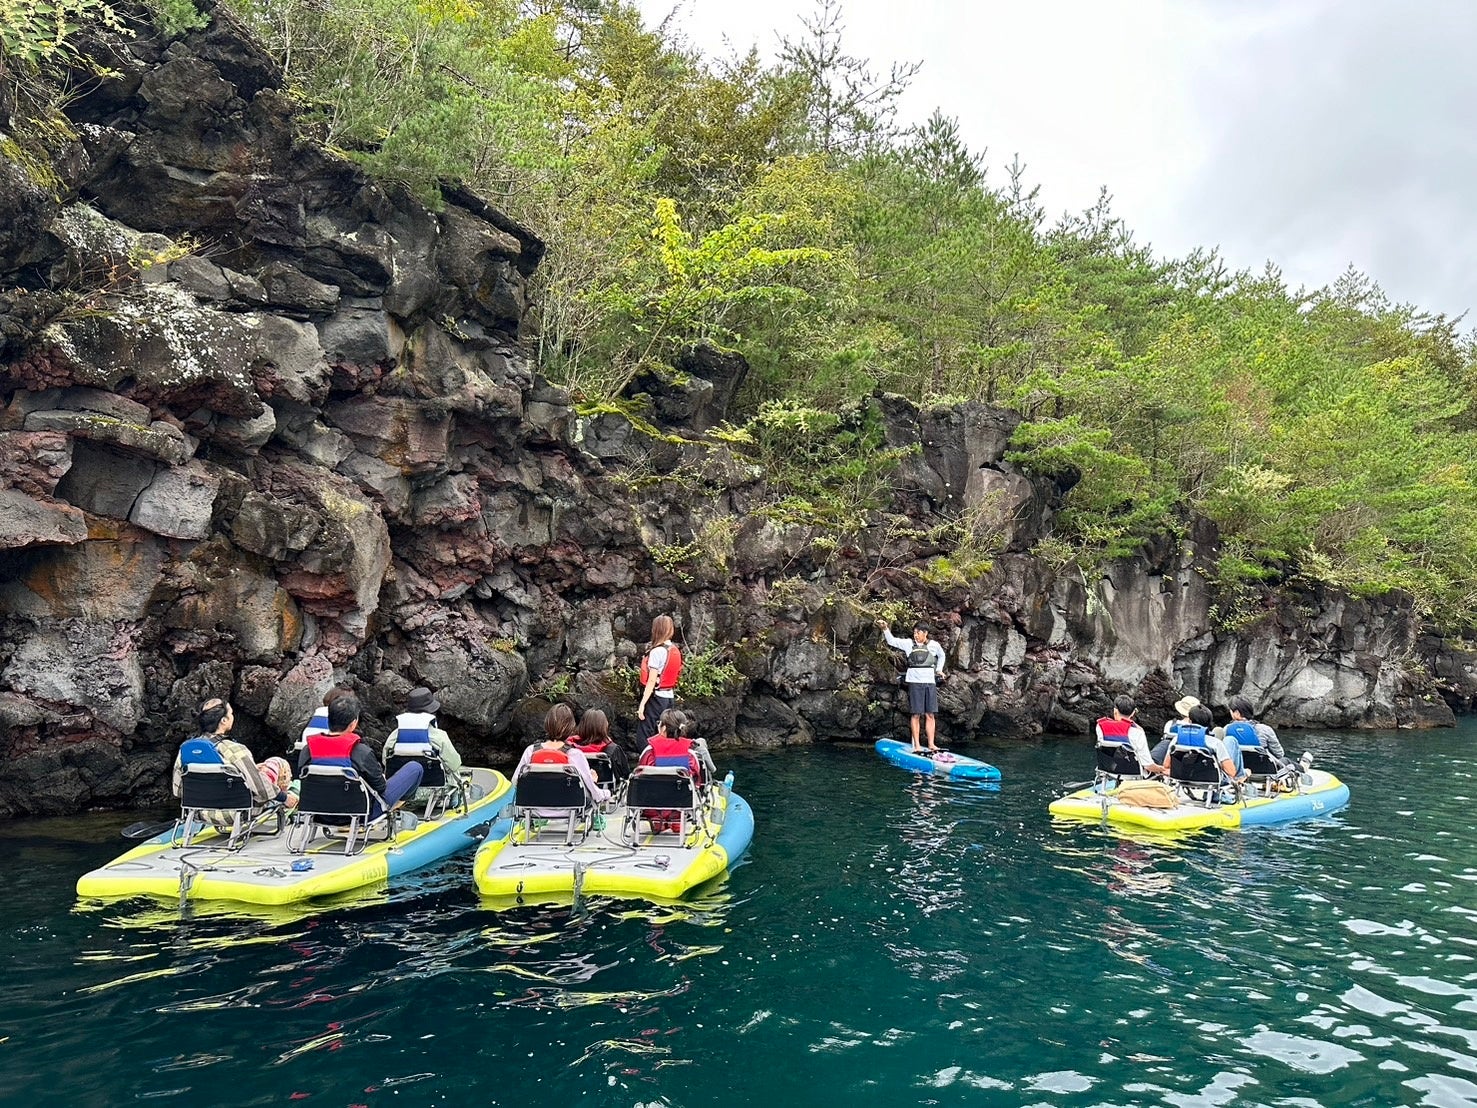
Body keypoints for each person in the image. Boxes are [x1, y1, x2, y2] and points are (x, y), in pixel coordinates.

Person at [297, 691, 423, 816]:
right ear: (353, 724)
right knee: (415, 768)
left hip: (318, 813)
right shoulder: (361, 752)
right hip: (360, 813)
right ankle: (393, 809)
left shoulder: (307, 750)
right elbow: (380, 788)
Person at [171, 699, 290, 821]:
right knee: (276, 762)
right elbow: (262, 790)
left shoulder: (185, 750)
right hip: (237, 813)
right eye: (231, 714)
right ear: (223, 720)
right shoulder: (235, 750)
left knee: (255, 771)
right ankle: (288, 802)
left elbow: (178, 791)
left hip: (199, 813)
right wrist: (282, 797)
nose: (233, 717)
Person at [512, 704, 610, 804]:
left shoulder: (531, 751)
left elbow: (515, 781)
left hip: (533, 810)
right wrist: (605, 792)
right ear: (571, 727)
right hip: (569, 810)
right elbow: (594, 794)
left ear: (547, 724)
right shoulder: (575, 755)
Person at [877, 619, 947, 754]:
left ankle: (932, 744)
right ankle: (917, 745)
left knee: (930, 714)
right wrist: (885, 628)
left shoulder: (934, 645)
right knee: (916, 714)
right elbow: (892, 641)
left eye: (918, 632)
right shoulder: (909, 644)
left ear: (925, 633)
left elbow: (942, 655)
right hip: (915, 683)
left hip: (930, 682)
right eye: (914, 632)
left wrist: (939, 669)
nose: (916, 635)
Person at [381, 686, 464, 799]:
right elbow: (455, 764)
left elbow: (385, 762)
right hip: (436, 796)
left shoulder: (394, 736)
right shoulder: (439, 736)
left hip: (402, 795)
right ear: (431, 713)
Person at [635, 615, 683, 745]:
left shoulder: (657, 652)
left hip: (656, 698)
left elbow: (651, 681)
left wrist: (642, 704)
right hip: (669, 698)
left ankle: (647, 761)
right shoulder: (674, 650)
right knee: (665, 733)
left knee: (644, 734)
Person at [1094, 695, 1165, 777]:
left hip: (1110, 770)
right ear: (1133, 713)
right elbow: (1147, 765)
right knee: (1163, 746)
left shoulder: (1100, 726)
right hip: (1134, 774)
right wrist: (1162, 769)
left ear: (1115, 711)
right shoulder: (1137, 732)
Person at [638, 708, 704, 783]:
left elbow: (640, 775)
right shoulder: (690, 753)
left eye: (659, 723)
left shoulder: (649, 751)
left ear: (664, 728)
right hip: (683, 793)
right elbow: (696, 779)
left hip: (653, 793)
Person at [1222, 696, 1288, 764]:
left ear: (1237, 713)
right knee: (1286, 760)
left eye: (1230, 710)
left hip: (1236, 768)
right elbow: (1279, 754)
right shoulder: (1265, 729)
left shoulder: (1226, 729)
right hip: (1262, 768)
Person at [572, 708, 630, 783]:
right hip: (607, 792)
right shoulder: (614, 750)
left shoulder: (571, 749)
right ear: (604, 726)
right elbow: (625, 776)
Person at [1151, 694, 1201, 766]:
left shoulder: (1170, 724)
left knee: (1166, 741)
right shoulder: (1200, 730)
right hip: (1194, 761)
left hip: (1171, 760)